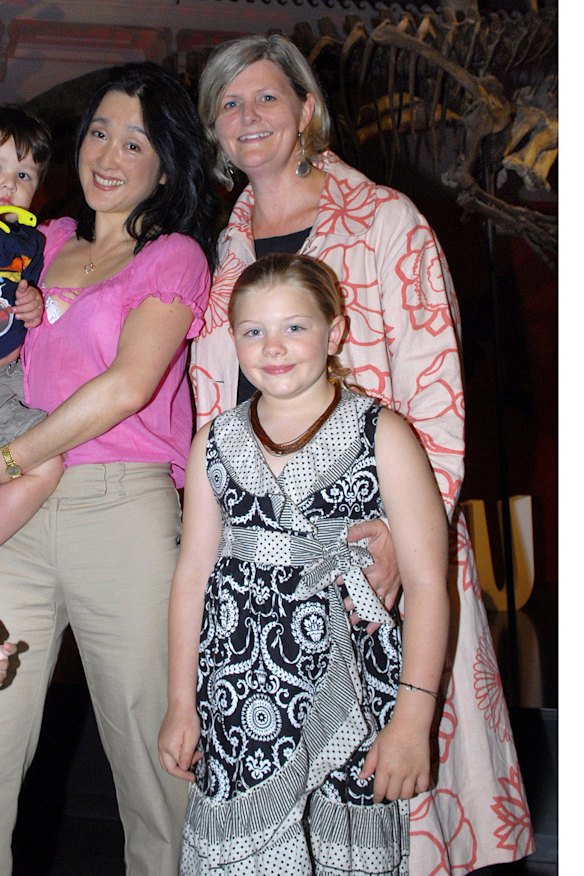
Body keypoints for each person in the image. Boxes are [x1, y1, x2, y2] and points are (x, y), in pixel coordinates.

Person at [190, 33, 534, 873]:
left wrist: (399, 535)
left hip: (374, 545)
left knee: (389, 803)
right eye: (229, 102)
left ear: (307, 109)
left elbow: (436, 392)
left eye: (266, 96)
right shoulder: (227, 244)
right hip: (260, 581)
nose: (248, 116)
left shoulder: (386, 220)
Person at [159, 253, 450, 874]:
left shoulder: (382, 434)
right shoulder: (214, 442)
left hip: (351, 692)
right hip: (237, 700)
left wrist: (413, 718)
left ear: (334, 332)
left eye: (294, 326)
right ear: (232, 339)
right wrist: (181, 703)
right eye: (253, 331)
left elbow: (428, 584)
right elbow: (192, 577)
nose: (273, 347)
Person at [0, 62, 217, 875]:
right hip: (17, 517)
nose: (108, 154)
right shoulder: (45, 240)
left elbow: (128, 386)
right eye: (99, 132)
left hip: (119, 512)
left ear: (166, 163)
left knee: (151, 764)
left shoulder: (173, 258)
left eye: (135, 141)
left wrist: (13, 455)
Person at [0, 105, 64, 545]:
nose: (9, 184)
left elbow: (30, 296)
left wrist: (33, 303)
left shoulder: (31, 243)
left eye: (23, 176)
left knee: (47, 458)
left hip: (9, 378)